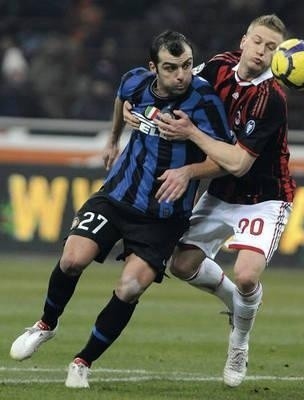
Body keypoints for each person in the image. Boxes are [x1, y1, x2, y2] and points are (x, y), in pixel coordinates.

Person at [9, 30, 232, 388]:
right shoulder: (134, 81)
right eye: (172, 68)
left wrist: (190, 168)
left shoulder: (205, 101)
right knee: (71, 259)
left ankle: (83, 361)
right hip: (117, 197)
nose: (182, 75)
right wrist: (113, 139)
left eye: (187, 66)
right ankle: (46, 325)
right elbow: (120, 99)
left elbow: (229, 161)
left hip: (162, 217)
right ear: (153, 68)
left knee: (129, 288)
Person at [124, 14, 296, 388]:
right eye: (258, 42)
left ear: (279, 56)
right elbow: (171, 85)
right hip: (221, 194)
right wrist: (133, 103)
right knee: (182, 265)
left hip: (265, 198)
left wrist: (190, 134)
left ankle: (239, 342)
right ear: (244, 40)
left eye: (272, 47)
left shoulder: (272, 99)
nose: (262, 51)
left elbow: (236, 163)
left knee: (247, 274)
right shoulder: (218, 65)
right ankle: (238, 305)